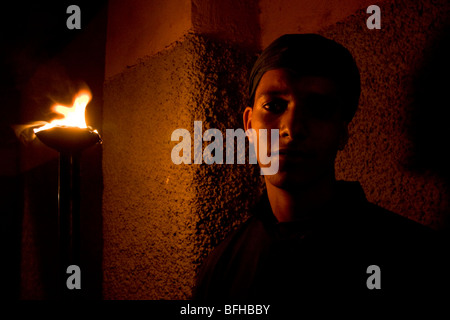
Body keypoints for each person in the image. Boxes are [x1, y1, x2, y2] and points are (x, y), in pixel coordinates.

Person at [193, 34, 447, 301]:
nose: (292, 128)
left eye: (318, 109)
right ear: (249, 125)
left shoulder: (415, 257)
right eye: (274, 106)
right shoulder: (221, 268)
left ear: (342, 132)